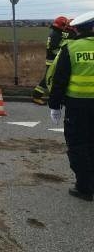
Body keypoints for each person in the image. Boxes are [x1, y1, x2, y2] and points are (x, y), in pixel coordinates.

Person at [48, 11, 94, 201]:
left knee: (78, 145)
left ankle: (84, 187)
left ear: (77, 30)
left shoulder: (71, 48)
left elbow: (59, 79)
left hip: (77, 106)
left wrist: (55, 105)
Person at [32, 16, 69, 105]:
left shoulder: (56, 33)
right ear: (61, 25)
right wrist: (62, 54)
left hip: (53, 60)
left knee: (52, 79)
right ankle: (36, 96)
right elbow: (54, 48)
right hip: (53, 60)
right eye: (65, 25)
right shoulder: (56, 34)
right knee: (47, 79)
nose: (66, 27)